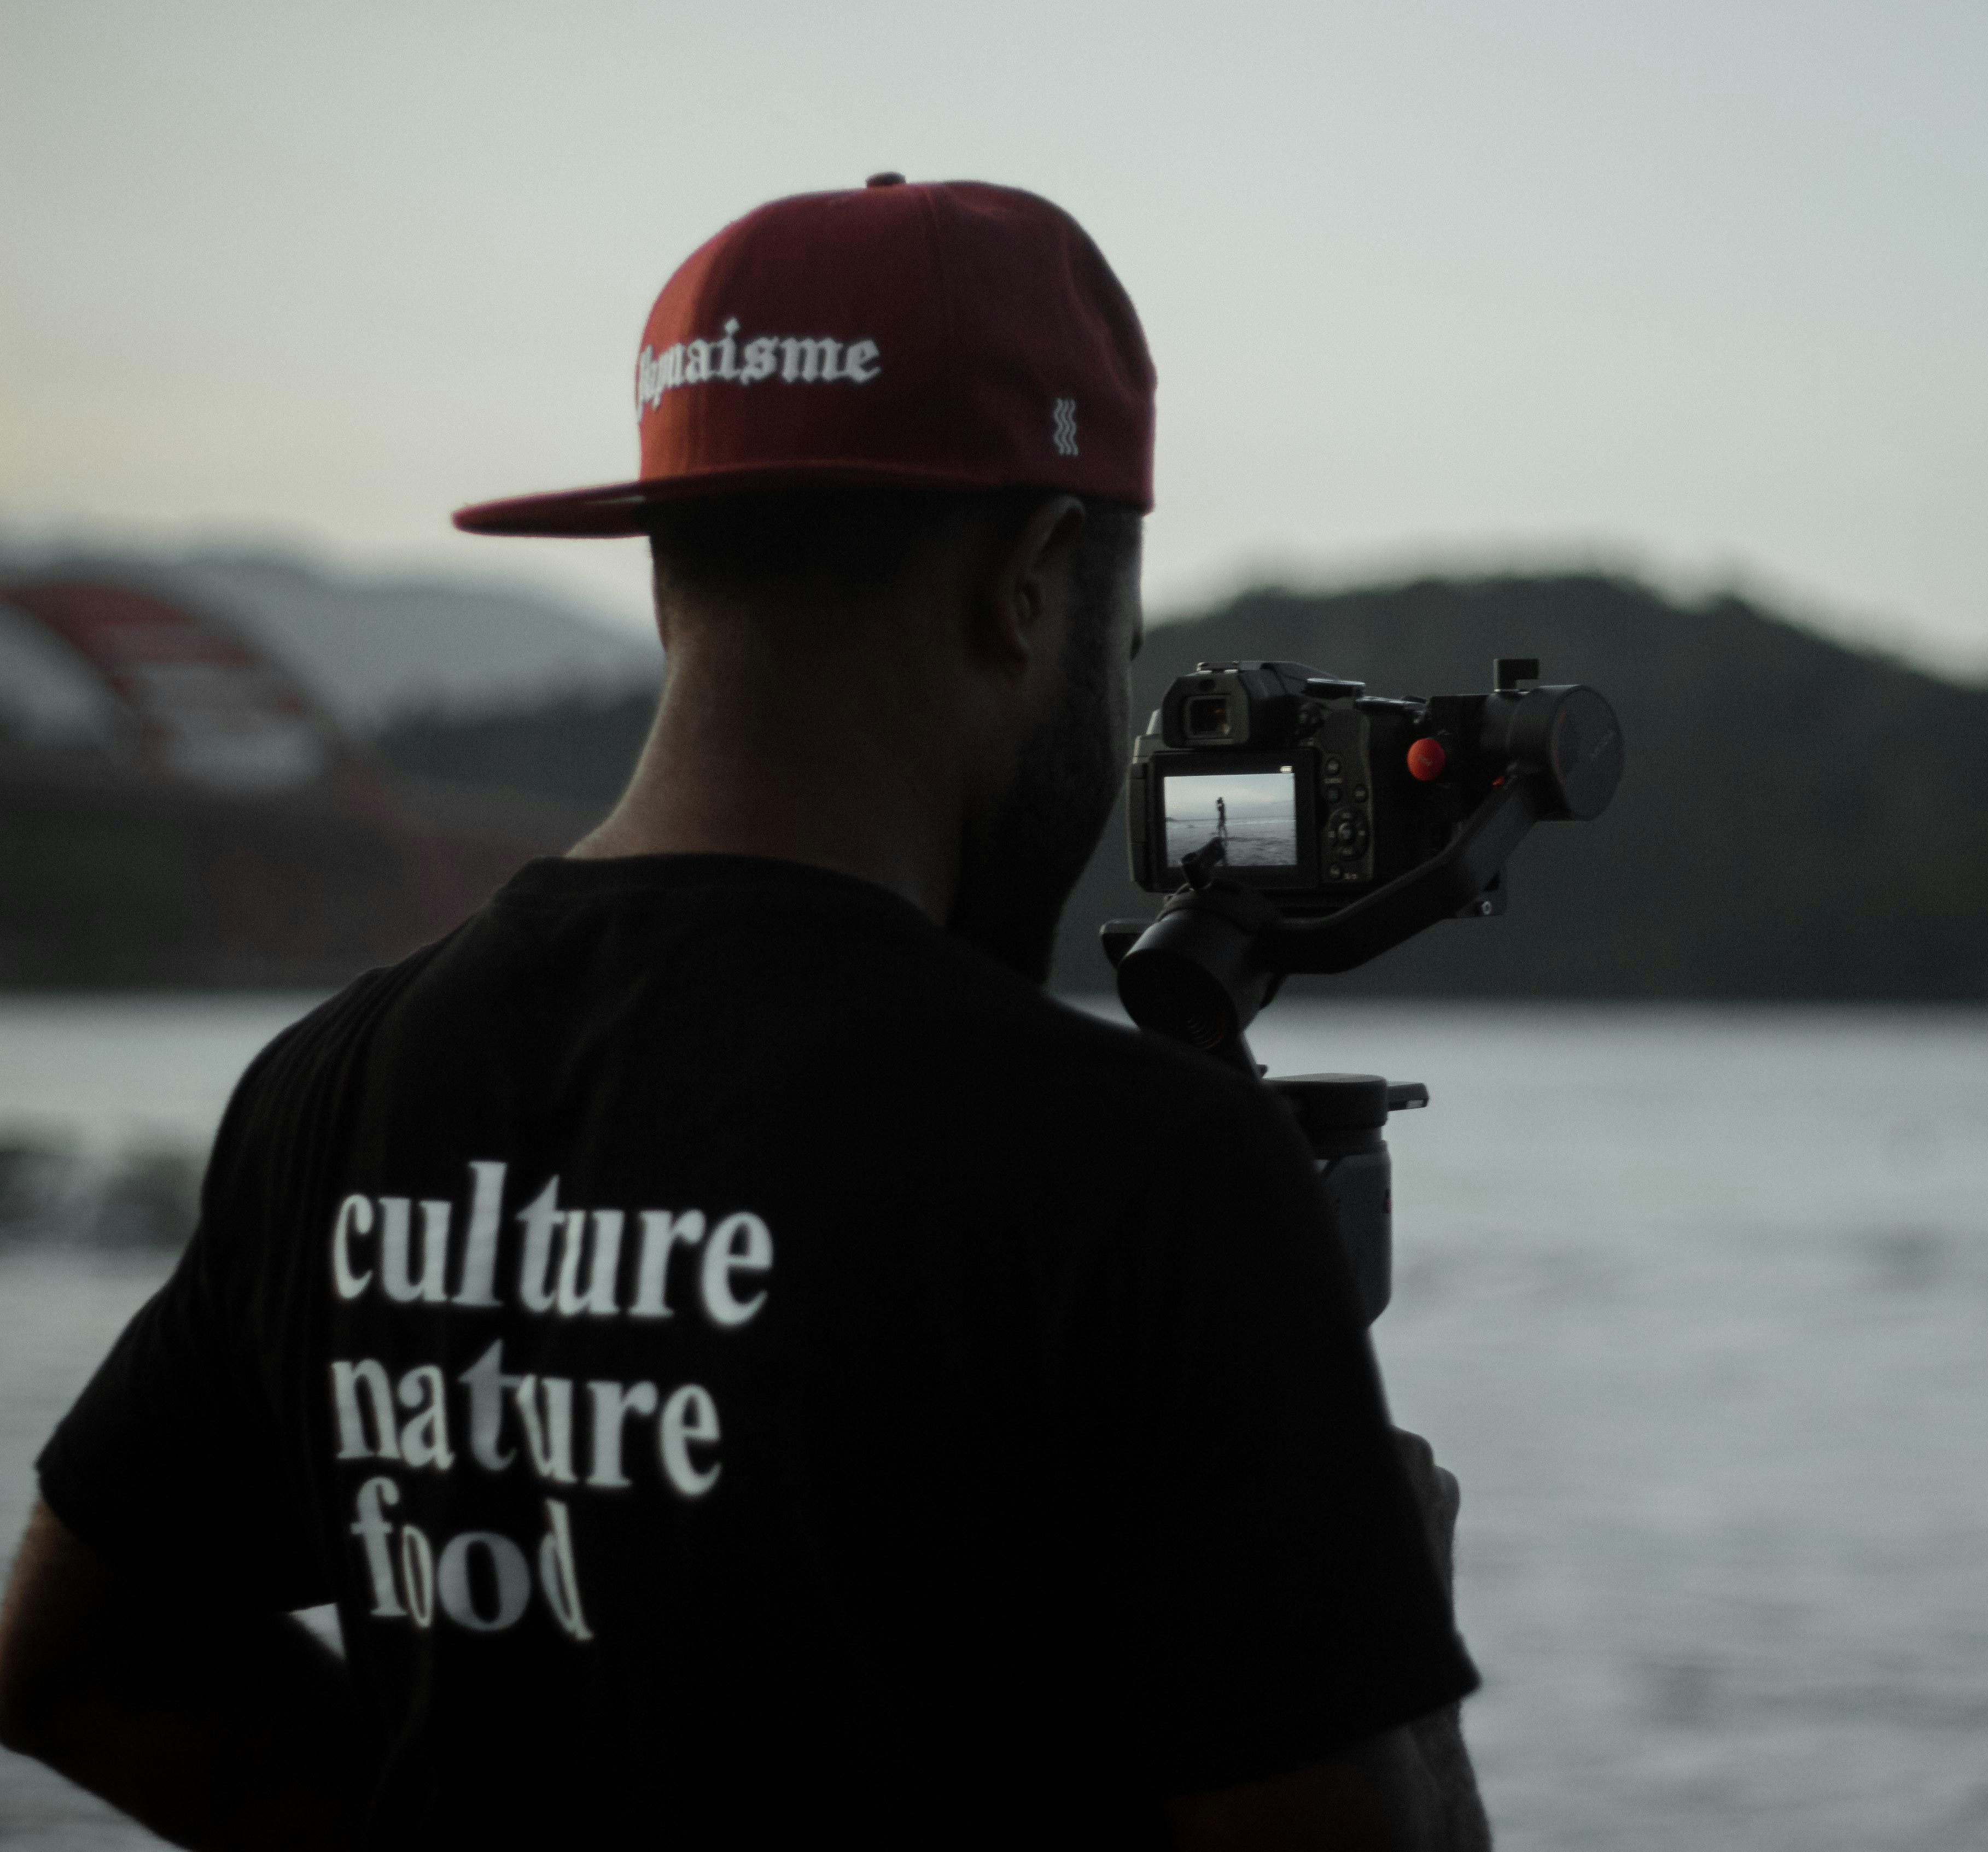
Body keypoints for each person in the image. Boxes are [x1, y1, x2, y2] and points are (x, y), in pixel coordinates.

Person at [0, 178, 1488, 1850]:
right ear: (1035, 582)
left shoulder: (336, 1084)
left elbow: (69, 1660)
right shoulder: (1143, 1175)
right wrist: (1393, 1634)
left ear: (666, 576)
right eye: (1121, 651)